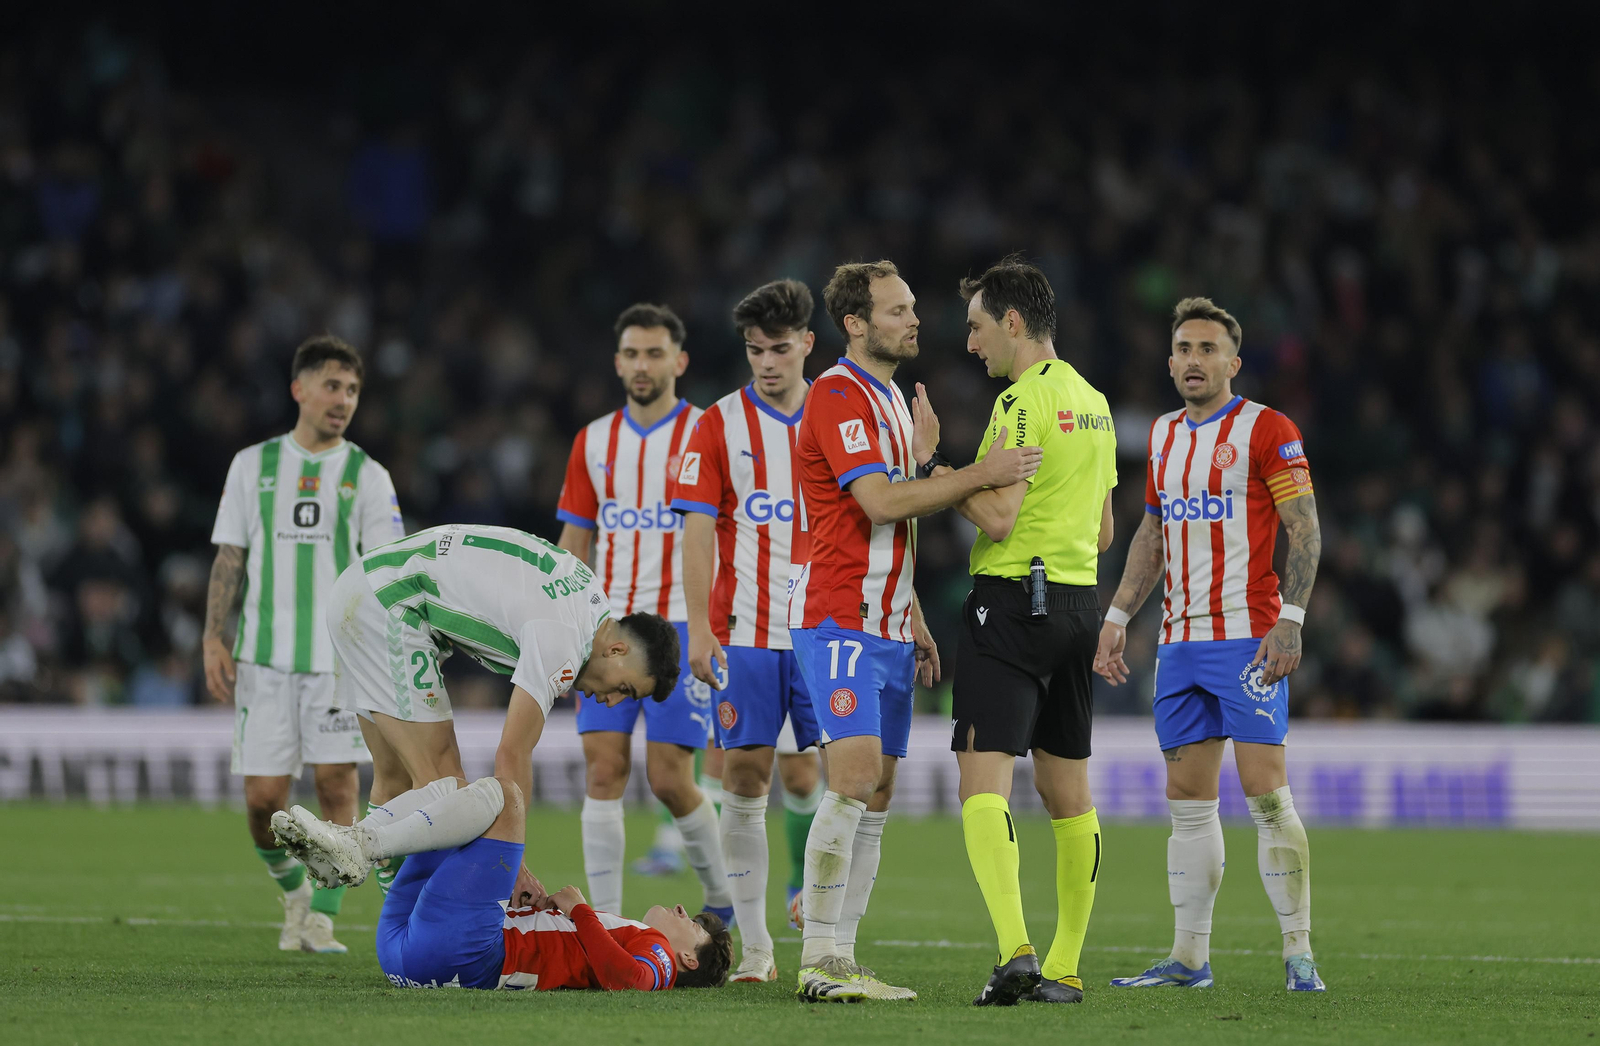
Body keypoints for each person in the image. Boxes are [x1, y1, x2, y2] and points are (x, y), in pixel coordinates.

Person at [787, 260, 1042, 1001]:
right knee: (854, 776)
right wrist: (979, 472)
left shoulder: (896, 400)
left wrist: (915, 615)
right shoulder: (837, 394)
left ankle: (843, 955)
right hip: (838, 614)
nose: (914, 319)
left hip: (890, 621)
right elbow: (878, 504)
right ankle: (818, 958)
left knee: (879, 790)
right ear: (856, 324)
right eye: (896, 310)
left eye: (911, 308)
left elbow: (897, 525)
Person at [1095, 297, 1326, 993]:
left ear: (1233, 362)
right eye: (1183, 349)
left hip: (1248, 640)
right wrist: (1118, 615)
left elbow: (1305, 527)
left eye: (1207, 349)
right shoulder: (1163, 435)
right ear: (1170, 363)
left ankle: (1299, 953)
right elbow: (1152, 533)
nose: (1193, 360)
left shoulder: (1267, 429)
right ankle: (1190, 958)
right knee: (1188, 802)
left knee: (1266, 795)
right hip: (1179, 645)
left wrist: (1292, 618)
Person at [272, 522, 682, 888]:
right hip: (391, 606)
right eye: (624, 689)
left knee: (395, 780)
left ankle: (380, 898)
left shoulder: (591, 597)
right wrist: (511, 863)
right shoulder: (564, 640)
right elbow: (513, 753)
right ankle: (356, 851)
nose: (612, 702)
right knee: (445, 787)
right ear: (616, 650)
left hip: (365, 585)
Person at [935, 258, 1117, 1006]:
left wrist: (941, 475)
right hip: (1078, 605)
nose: (971, 343)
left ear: (1012, 322)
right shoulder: (1095, 402)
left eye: (977, 326)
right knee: (1067, 790)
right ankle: (1066, 968)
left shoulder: (1021, 400)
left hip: (1012, 604)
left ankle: (1016, 950)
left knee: (982, 779)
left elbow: (1000, 517)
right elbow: (1104, 533)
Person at [202, 335, 403, 954]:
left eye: (353, 390)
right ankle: (293, 891)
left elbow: (385, 571)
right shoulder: (252, 465)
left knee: (337, 786)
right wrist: (213, 635)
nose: (343, 400)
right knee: (263, 801)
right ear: (300, 389)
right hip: (263, 659)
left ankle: (321, 917)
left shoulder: (368, 476)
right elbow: (230, 556)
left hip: (336, 662)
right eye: (332, 386)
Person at [671, 278, 826, 982]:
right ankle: (758, 948)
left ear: (808, 344)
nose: (766, 362)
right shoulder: (717, 424)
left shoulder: (838, 412)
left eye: (780, 349)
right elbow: (698, 533)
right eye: (755, 350)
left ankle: (826, 928)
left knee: (841, 778)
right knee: (743, 776)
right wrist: (700, 628)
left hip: (828, 628)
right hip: (749, 634)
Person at [556, 303, 731, 922]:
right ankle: (605, 922)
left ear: (679, 361)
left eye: (654, 353)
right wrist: (563, 623)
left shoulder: (708, 431)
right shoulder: (593, 440)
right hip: (606, 631)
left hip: (680, 625)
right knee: (603, 770)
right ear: (616, 362)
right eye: (631, 353)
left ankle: (722, 902)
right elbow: (574, 540)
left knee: (669, 778)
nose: (641, 365)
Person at [294, 773, 733, 991]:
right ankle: (351, 843)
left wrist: (579, 909)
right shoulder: (631, 936)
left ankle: (360, 844)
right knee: (454, 789)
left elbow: (631, 980)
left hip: (458, 953)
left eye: (693, 926)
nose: (682, 911)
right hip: (407, 955)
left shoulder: (659, 955)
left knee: (506, 795)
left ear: (687, 961)